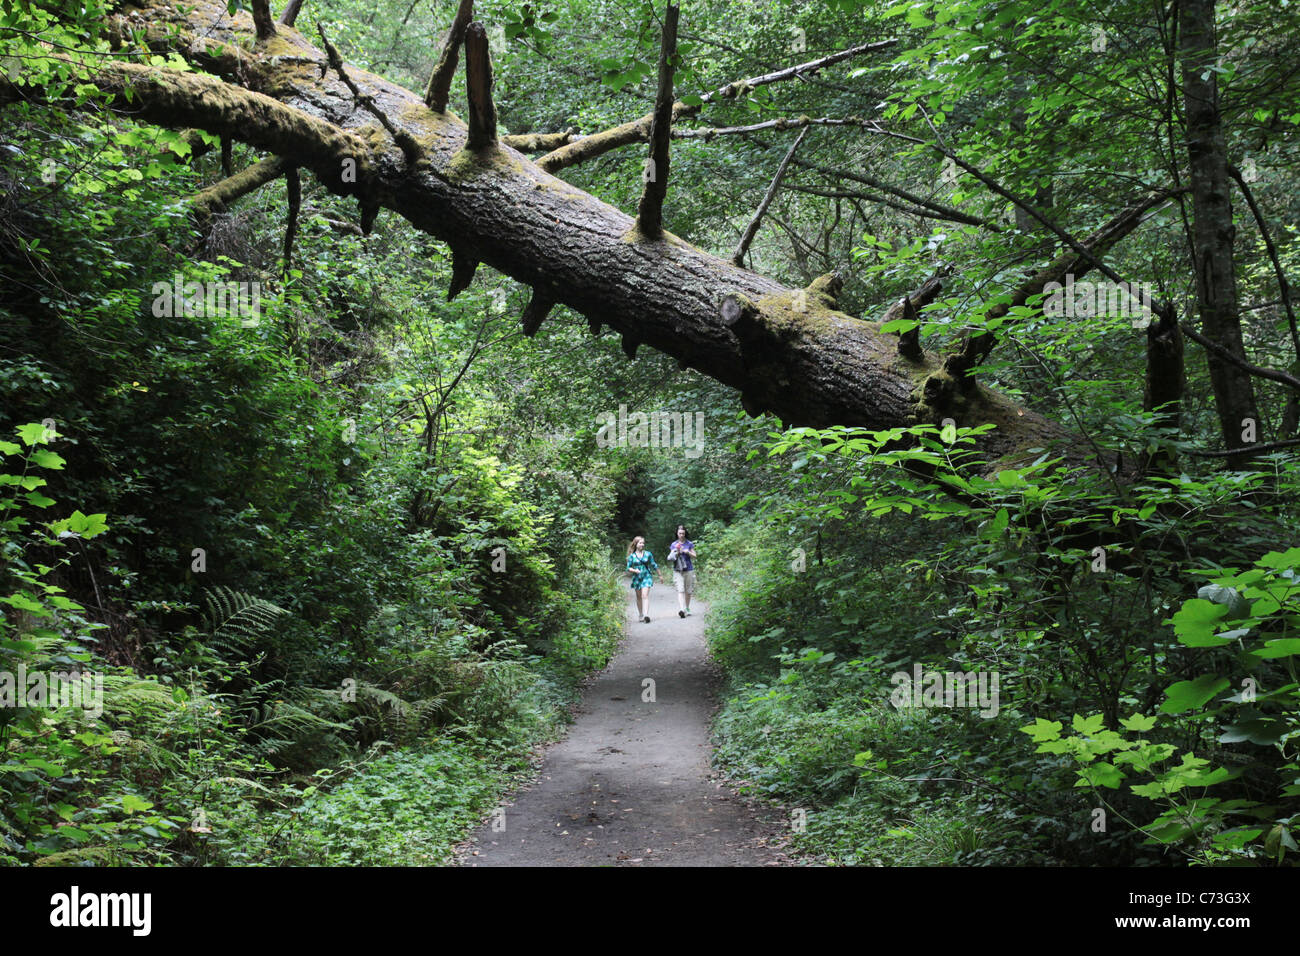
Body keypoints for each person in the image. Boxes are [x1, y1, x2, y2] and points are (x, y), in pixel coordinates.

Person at [625, 535, 663, 623]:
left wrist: (660, 575)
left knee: (644, 595)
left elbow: (654, 565)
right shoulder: (632, 556)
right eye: (640, 543)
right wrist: (635, 570)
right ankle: (641, 614)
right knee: (638, 597)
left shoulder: (648, 554)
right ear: (636, 544)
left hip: (647, 576)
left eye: (643, 543)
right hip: (637, 578)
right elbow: (628, 568)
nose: (642, 544)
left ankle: (646, 615)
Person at [667, 524, 697, 618]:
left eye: (683, 533)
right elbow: (670, 558)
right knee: (680, 589)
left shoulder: (689, 543)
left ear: (685, 533)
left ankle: (687, 608)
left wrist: (687, 552)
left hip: (688, 569)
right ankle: (681, 609)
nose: (681, 535)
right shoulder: (674, 544)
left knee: (688, 591)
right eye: (680, 533)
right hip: (678, 570)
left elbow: (695, 556)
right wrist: (676, 552)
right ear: (677, 533)